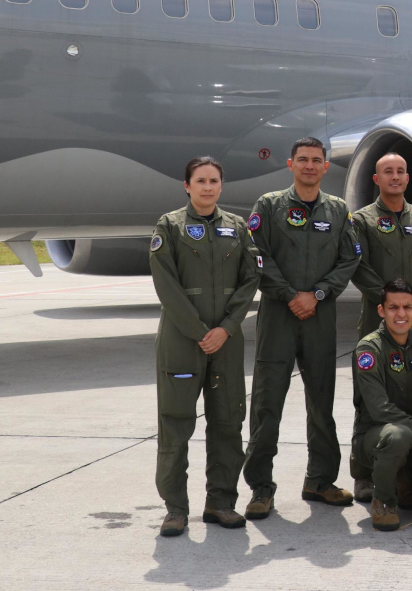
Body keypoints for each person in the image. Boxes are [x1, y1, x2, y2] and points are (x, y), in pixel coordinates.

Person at [242, 137, 362, 519]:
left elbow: (349, 258)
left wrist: (319, 294)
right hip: (279, 315)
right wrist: (291, 294)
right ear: (291, 164)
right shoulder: (269, 206)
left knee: (322, 402)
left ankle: (320, 480)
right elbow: (256, 253)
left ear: (326, 167)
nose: (310, 166)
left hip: (320, 317)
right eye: (303, 160)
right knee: (266, 404)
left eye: (316, 161)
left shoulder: (339, 210)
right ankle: (261, 488)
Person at [149, 156, 260, 537]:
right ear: (187, 185)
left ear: (221, 186)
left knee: (229, 422)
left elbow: (250, 279)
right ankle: (176, 509)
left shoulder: (238, 227)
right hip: (183, 341)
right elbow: (166, 285)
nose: (207, 187)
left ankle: (221, 502)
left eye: (214, 180)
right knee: (176, 425)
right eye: (200, 180)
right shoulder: (170, 226)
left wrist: (227, 328)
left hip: (226, 341)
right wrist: (200, 331)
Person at [349, 152, 412, 502]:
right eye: (387, 171)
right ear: (376, 180)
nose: (395, 177)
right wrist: (391, 302)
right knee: (370, 398)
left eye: (400, 171)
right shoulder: (363, 219)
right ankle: (363, 473)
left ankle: (405, 469)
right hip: (379, 318)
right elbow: (357, 265)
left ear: (407, 178)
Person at [352, 279, 412, 531]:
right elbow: (380, 410)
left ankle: (404, 483)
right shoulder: (370, 349)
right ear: (381, 311)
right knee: (397, 435)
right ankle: (384, 501)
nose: (401, 314)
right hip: (375, 438)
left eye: (407, 307)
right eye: (393, 308)